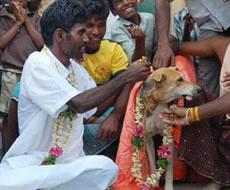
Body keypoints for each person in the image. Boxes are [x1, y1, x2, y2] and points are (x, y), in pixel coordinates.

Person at [0, 0, 151, 189]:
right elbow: (79, 104)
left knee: (106, 168)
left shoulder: (76, 71)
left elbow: (93, 107)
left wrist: (127, 85)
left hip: (71, 164)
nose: (87, 39)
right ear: (61, 35)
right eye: (81, 33)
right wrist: (126, 76)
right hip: (35, 163)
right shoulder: (38, 63)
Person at [159, 2, 230, 188]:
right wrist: (167, 44)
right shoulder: (225, 45)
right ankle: (216, 175)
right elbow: (179, 48)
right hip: (229, 114)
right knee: (195, 95)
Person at [155, 0, 230, 96]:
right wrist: (163, 45)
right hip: (208, 26)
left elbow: (218, 45)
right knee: (207, 89)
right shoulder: (180, 18)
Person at [81, 0, 129, 155]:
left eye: (101, 25)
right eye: (90, 26)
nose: (96, 32)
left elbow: (125, 83)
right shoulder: (69, 52)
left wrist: (116, 114)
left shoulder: (113, 50)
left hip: (104, 111)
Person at [0, 0, 43, 116]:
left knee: (27, 109)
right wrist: (18, 23)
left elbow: (41, 44)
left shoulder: (36, 18)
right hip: (10, 72)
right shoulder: (2, 17)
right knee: (8, 111)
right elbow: (1, 43)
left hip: (31, 73)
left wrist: (26, 20)